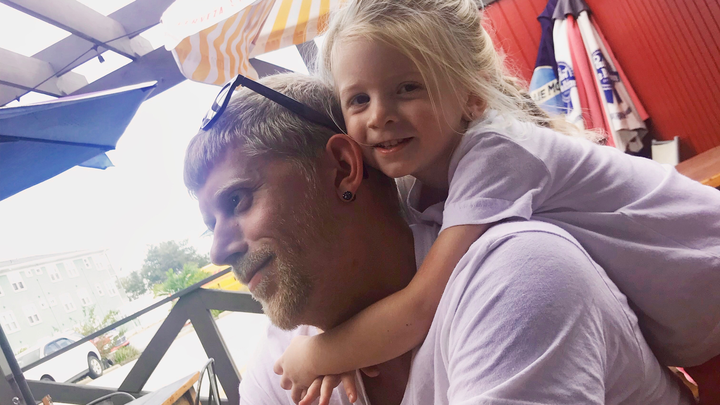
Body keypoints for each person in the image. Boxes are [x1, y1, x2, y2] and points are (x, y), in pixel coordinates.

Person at [273, 0, 720, 403]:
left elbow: (418, 308)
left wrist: (317, 354)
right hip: (696, 330)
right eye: (358, 99)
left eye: (407, 88)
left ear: (471, 93)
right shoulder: (425, 183)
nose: (379, 115)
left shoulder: (494, 155)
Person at [184, 72, 693, 404]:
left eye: (237, 201)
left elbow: (421, 306)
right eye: (211, 224)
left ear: (342, 168)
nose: (218, 249)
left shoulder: (513, 273)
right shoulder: (277, 369)